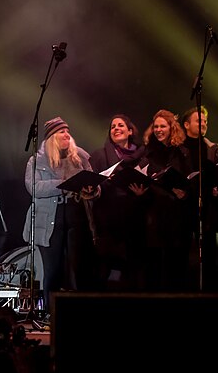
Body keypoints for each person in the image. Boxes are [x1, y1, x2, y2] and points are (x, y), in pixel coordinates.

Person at [24, 117, 97, 314]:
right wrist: (63, 184)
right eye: (61, 132)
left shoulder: (80, 156)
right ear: (51, 138)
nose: (66, 135)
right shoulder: (37, 160)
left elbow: (93, 183)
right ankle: (50, 315)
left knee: (81, 268)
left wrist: (92, 190)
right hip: (50, 219)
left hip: (77, 215)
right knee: (53, 269)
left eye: (67, 131)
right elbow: (34, 187)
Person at [89, 114, 147, 291]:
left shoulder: (143, 156)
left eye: (120, 125)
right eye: (113, 126)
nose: (116, 129)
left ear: (130, 131)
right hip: (107, 221)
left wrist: (141, 194)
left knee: (133, 270)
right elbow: (91, 186)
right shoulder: (99, 156)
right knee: (105, 270)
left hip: (134, 220)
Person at [139, 110, 192, 291]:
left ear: (171, 127)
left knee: (175, 263)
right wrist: (141, 191)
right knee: (154, 263)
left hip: (177, 215)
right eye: (156, 126)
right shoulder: (147, 152)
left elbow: (190, 179)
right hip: (154, 214)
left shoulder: (182, 152)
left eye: (163, 126)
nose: (159, 130)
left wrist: (184, 192)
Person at [180, 106, 218, 290]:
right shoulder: (178, 149)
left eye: (205, 121)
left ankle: (210, 290)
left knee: (210, 251)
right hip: (184, 207)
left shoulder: (213, 149)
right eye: (199, 120)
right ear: (187, 124)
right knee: (185, 252)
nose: (203, 123)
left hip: (208, 207)